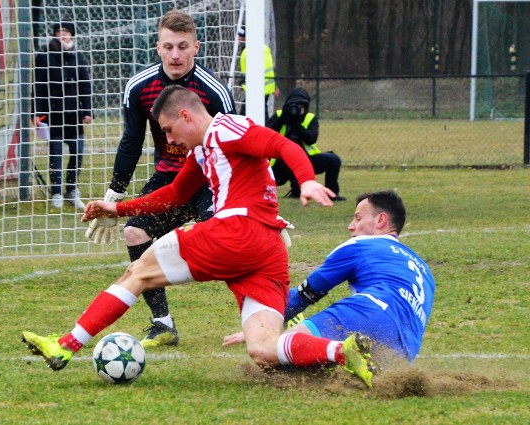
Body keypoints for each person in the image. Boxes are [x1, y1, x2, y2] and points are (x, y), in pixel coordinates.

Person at [21, 85, 379, 388]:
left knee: (138, 273)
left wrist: (306, 180)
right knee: (263, 349)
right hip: (266, 250)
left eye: (168, 130)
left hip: (236, 231)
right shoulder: (203, 150)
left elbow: (281, 146)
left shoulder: (227, 129)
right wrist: (118, 208)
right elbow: (175, 195)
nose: (169, 140)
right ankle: (341, 351)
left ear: (186, 115)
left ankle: (65, 345)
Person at [84, 10, 236, 349]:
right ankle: (162, 324)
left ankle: (276, 311)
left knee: (229, 247)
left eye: (183, 46)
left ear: (196, 47)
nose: (176, 55)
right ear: (158, 48)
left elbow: (234, 146)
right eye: (168, 46)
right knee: (134, 230)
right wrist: (114, 196)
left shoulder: (215, 92)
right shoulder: (140, 87)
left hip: (209, 180)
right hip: (170, 179)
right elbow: (131, 142)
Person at [223, 190, 436, 364]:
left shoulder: (360, 245)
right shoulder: (426, 272)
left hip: (368, 313)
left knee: (268, 354)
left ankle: (337, 350)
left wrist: (261, 327)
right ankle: (344, 357)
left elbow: (304, 295)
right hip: (403, 352)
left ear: (381, 220)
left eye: (358, 218)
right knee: (320, 367)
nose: (351, 226)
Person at [33, 22, 93, 210]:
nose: (63, 35)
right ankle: (56, 192)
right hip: (54, 115)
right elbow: (38, 87)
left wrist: (87, 111)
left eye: (66, 32)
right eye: (59, 32)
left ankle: (72, 189)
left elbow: (85, 85)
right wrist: (37, 112)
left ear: (72, 35)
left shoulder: (78, 57)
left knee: (77, 153)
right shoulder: (44, 57)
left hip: (74, 116)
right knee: (56, 155)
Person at [266, 87, 345, 201]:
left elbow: (311, 139)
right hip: (279, 165)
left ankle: (332, 193)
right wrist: (283, 118)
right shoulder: (279, 115)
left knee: (333, 159)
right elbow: (266, 132)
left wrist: (296, 123)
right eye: (293, 106)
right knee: (288, 157)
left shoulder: (310, 118)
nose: (296, 110)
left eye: (300, 107)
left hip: (306, 161)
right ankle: (296, 190)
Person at [237, 27, 280, 122]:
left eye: (241, 37)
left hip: (255, 89)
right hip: (266, 88)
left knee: (246, 117)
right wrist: (273, 86)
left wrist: (243, 82)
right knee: (258, 115)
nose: (239, 39)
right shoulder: (265, 49)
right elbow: (268, 70)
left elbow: (253, 72)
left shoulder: (248, 52)